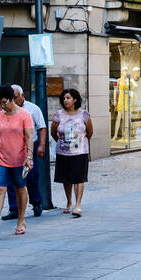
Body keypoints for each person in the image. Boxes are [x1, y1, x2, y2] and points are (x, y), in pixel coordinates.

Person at [0, 84, 34, 238]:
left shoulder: (25, 115)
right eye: (0, 103)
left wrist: (29, 157)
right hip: (0, 158)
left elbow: (29, 137)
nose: (2, 105)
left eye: (4, 102)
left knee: (20, 189)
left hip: (19, 159)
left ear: (13, 98)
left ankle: (21, 221)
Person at [51, 88, 92, 217]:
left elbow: (89, 132)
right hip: (63, 152)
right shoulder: (58, 115)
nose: (65, 100)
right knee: (66, 178)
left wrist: (80, 142)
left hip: (80, 151)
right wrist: (63, 143)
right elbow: (54, 132)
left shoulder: (84, 114)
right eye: (64, 98)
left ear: (75, 99)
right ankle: (69, 202)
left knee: (79, 178)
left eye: (68, 98)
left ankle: (78, 205)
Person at [9, 84, 48, 218]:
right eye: (10, 98)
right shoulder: (5, 109)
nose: (13, 101)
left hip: (29, 146)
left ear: (22, 96)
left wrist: (42, 145)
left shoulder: (32, 109)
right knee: (12, 178)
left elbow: (42, 127)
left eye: (15, 98)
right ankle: (14, 209)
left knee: (31, 176)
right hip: (12, 147)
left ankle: (36, 203)